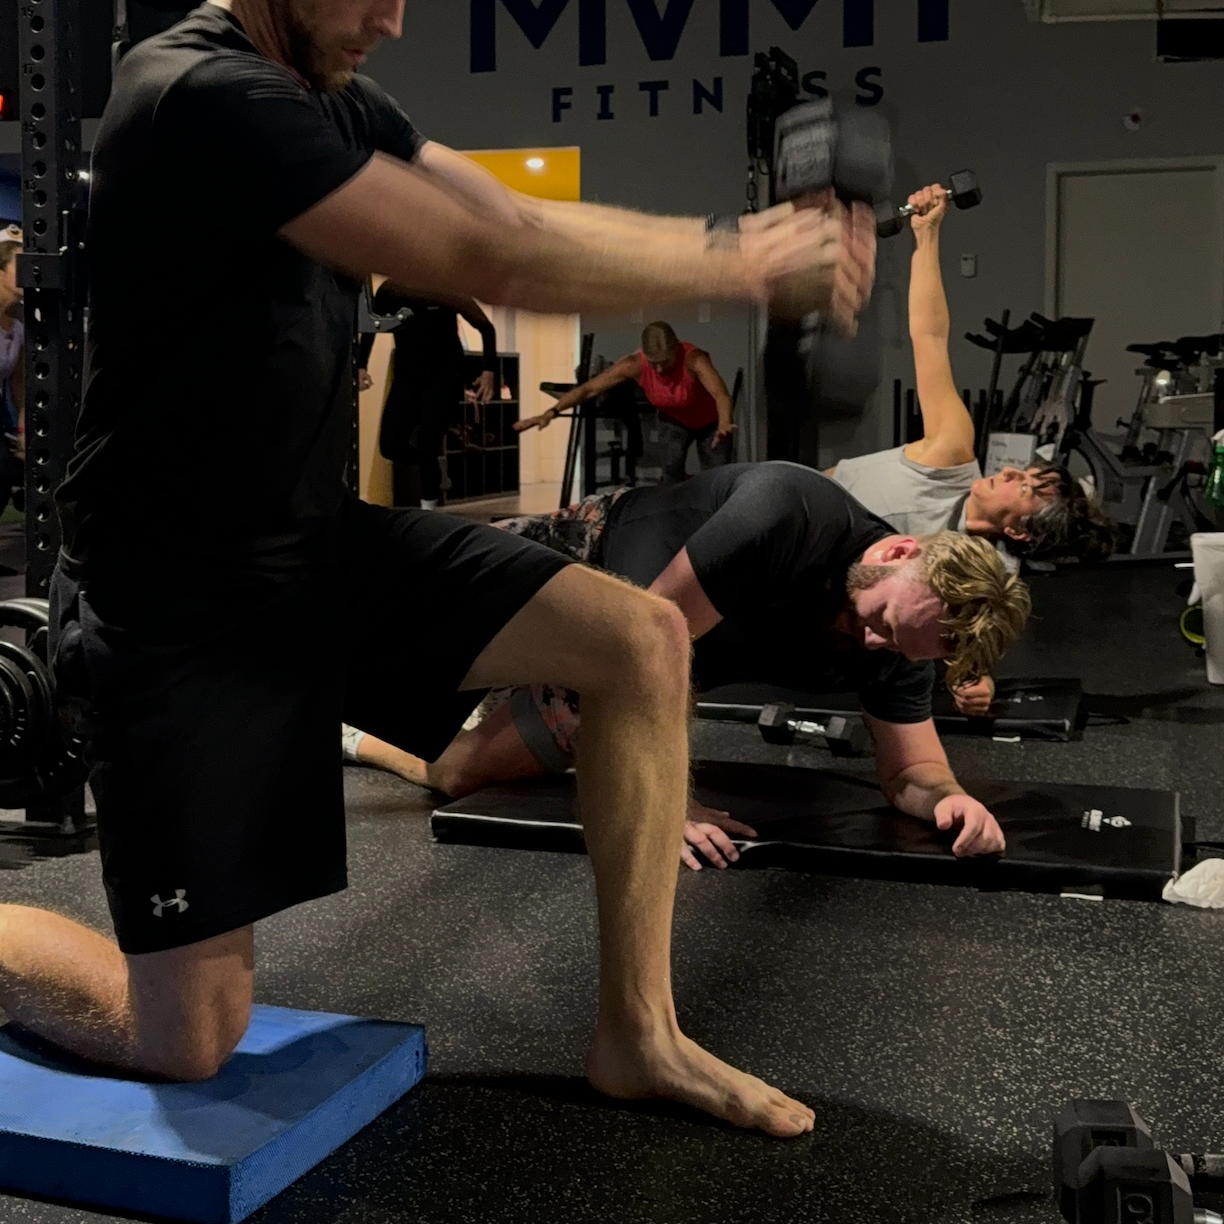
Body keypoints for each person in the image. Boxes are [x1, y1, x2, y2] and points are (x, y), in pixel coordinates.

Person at [0, 0, 876, 1139]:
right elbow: (484, 253)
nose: (394, 20)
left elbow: (501, 207)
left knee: (637, 640)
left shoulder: (337, 95)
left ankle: (640, 1035)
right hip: (179, 602)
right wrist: (742, 259)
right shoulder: (195, 94)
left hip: (317, 545)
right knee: (187, 1041)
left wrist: (732, 238)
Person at [343, 462, 1032, 872]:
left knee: (460, 773)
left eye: (899, 648)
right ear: (894, 553)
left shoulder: (903, 637)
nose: (876, 646)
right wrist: (667, 798)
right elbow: (639, 649)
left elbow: (911, 770)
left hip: (656, 652)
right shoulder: (785, 515)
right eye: (876, 622)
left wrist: (948, 799)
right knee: (388, 617)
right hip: (596, 566)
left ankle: (348, 736)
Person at [827, 185, 1115, 714]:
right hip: (785, 517)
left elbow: (966, 645)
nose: (1011, 474)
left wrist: (974, 680)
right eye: (1024, 473)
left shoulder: (986, 575)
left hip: (829, 595)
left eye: (1026, 489)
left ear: (1019, 531)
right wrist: (926, 234)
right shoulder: (951, 453)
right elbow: (929, 337)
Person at [515, 321, 737, 484]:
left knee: (717, 477)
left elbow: (721, 394)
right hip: (674, 421)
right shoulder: (633, 365)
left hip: (711, 423)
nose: (659, 369)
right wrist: (551, 412)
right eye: (653, 363)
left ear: (676, 350)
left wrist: (725, 422)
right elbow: (588, 389)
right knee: (671, 473)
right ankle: (674, 525)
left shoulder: (693, 359)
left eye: (665, 362)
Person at [356, 285, 498, 509]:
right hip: (407, 379)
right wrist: (361, 365)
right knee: (390, 445)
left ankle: (430, 513)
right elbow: (372, 327)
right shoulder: (390, 292)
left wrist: (489, 371)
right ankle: (433, 467)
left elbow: (486, 328)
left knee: (427, 444)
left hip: (444, 378)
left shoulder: (445, 287)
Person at [0, 224, 25, 518]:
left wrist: (23, 430)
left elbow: (18, 383)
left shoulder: (17, 327)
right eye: (20, 264)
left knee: (6, 471)